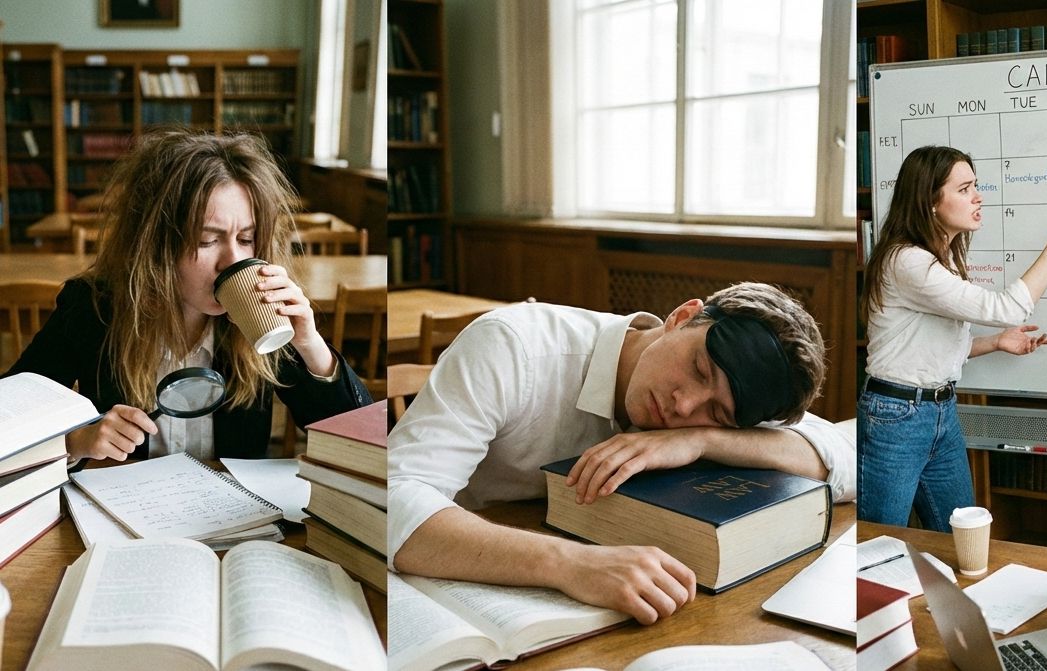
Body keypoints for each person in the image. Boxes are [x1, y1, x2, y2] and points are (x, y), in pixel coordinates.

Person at [388, 282, 854, 624]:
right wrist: (570, 564)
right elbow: (396, 500)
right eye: (698, 369)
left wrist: (701, 440)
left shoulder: (721, 410)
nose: (684, 406)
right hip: (448, 582)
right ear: (682, 316)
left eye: (717, 412)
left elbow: (845, 459)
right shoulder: (514, 346)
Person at [4, 128, 372, 464]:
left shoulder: (262, 312)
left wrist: (311, 346)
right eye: (206, 240)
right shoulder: (93, 307)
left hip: (237, 522)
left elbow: (359, 444)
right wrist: (75, 441)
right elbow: (11, 420)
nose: (234, 261)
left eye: (247, 239)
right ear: (155, 247)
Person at [858, 145, 1047, 530]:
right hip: (897, 416)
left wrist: (995, 343)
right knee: (880, 541)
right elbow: (1008, 307)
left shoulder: (942, 258)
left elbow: (920, 352)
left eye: (975, 186)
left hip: (939, 410)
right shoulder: (907, 261)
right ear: (930, 202)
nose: (978, 196)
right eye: (964, 188)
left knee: (961, 535)